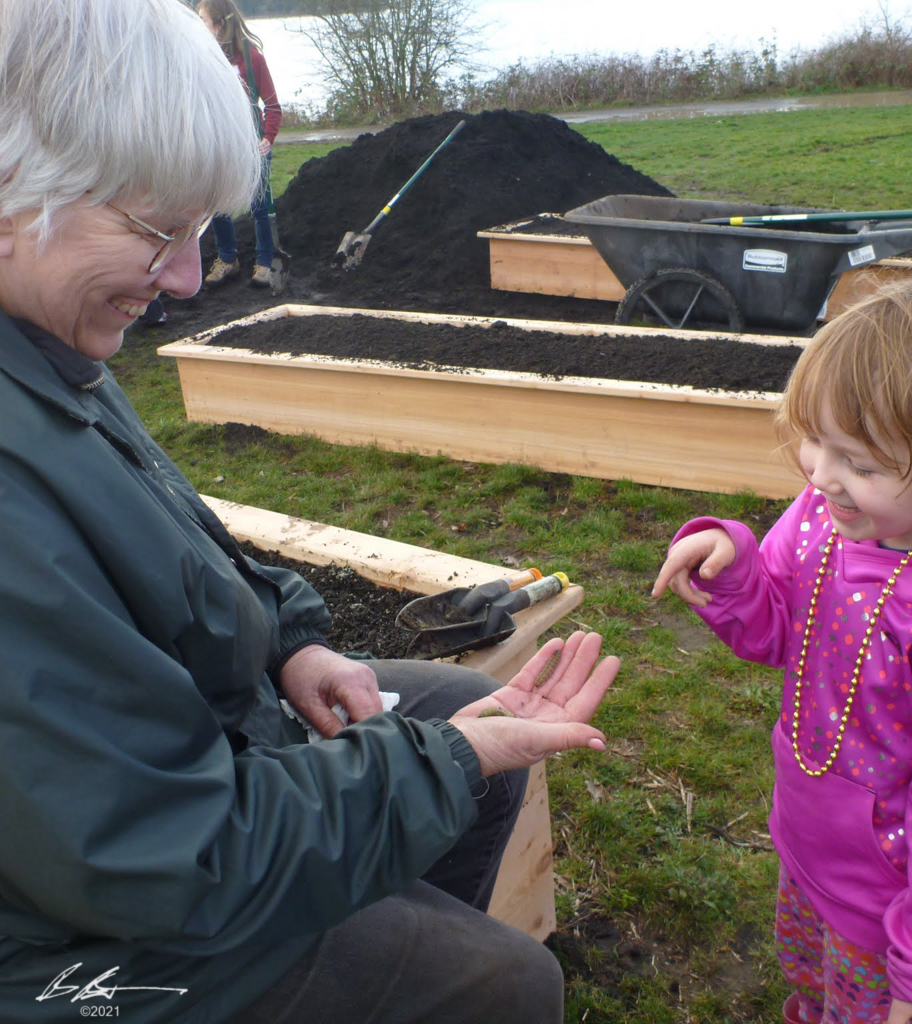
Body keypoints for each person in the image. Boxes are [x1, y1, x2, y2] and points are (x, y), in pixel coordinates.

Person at [0, 2, 620, 1022]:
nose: (190, 279)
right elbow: (154, 852)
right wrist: (436, 765)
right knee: (504, 981)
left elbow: (170, 527)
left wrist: (290, 640)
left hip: (174, 794)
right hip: (72, 946)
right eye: (158, 230)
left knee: (449, 729)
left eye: (199, 230)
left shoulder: (48, 347)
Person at [653, 273, 912, 1024]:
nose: (823, 476)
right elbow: (773, 634)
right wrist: (732, 563)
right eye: (816, 441)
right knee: (810, 992)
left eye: (861, 463)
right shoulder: (826, 517)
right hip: (805, 845)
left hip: (885, 909)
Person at [198, 0, 282, 289]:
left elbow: (272, 105)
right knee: (218, 205)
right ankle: (228, 259)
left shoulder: (252, 58)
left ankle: (264, 262)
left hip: (251, 146)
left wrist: (267, 139)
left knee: (260, 206)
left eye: (203, 21)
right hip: (220, 145)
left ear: (220, 23)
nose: (199, 27)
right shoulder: (205, 59)